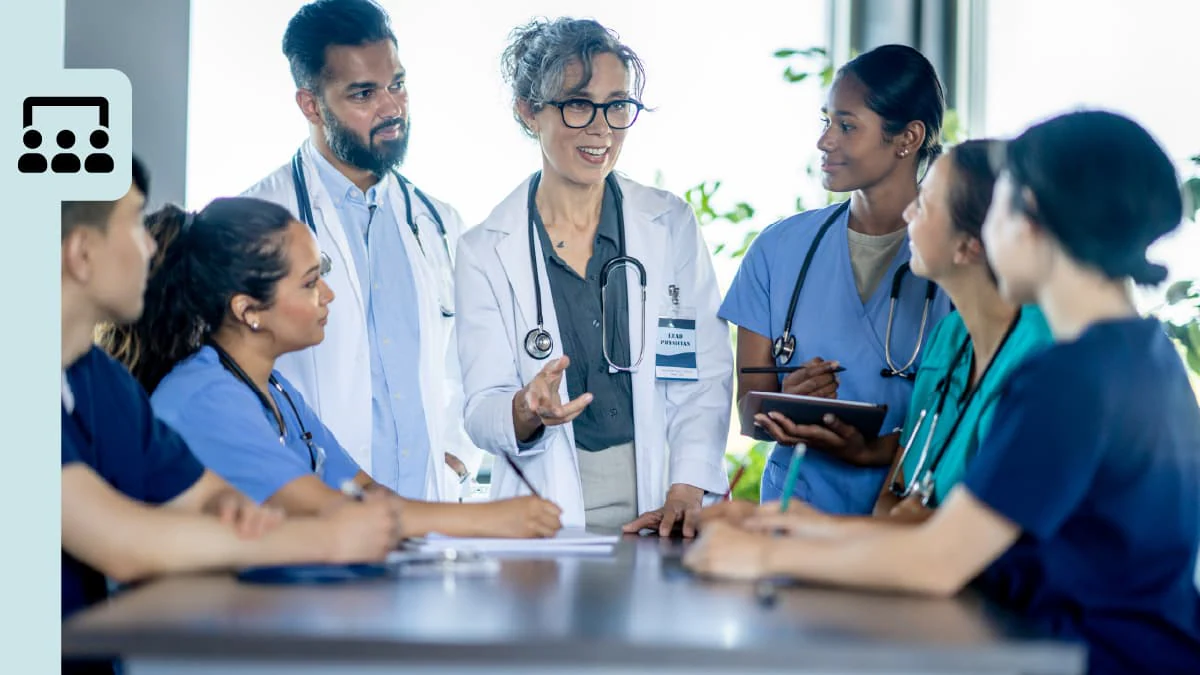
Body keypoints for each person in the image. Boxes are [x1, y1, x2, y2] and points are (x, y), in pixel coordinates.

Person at [684, 110, 1200, 674]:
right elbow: (948, 527)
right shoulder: (1139, 354)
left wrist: (763, 555)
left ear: (1032, 221)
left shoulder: (1072, 377)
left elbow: (938, 560)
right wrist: (789, 527)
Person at [63, 159, 401, 675]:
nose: (152, 245)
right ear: (82, 253)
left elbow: (200, 492)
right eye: (133, 223)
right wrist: (321, 537)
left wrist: (229, 507)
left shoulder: (102, 383)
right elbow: (124, 544)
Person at [99, 197, 563, 539]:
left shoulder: (276, 391)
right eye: (310, 282)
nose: (329, 294)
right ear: (247, 310)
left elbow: (369, 494)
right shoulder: (204, 400)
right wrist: (492, 518)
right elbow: (332, 512)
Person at [454, 17, 732, 534]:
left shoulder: (669, 224)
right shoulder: (483, 251)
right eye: (579, 104)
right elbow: (479, 409)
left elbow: (701, 375)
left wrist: (687, 484)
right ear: (529, 112)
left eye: (618, 105)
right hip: (547, 500)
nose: (602, 128)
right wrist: (525, 408)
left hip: (659, 495)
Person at [704, 140, 1055, 529]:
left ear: (969, 244)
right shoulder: (949, 338)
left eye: (926, 203)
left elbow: (973, 541)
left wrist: (796, 537)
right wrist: (775, 527)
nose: (908, 212)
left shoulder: (1044, 358)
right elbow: (894, 501)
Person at [241, 0, 478, 501]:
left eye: (397, 84)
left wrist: (456, 461)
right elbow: (235, 381)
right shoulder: (256, 220)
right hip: (314, 521)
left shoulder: (439, 224)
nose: (391, 108)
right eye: (364, 94)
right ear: (311, 105)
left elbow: (468, 365)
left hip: (426, 517)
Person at [719, 44, 953, 515]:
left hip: (908, 524)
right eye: (826, 122)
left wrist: (872, 449)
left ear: (907, 138)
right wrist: (785, 401)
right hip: (794, 514)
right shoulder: (779, 249)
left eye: (846, 126)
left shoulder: (957, 262)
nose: (826, 141)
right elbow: (750, 411)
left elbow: (964, 424)